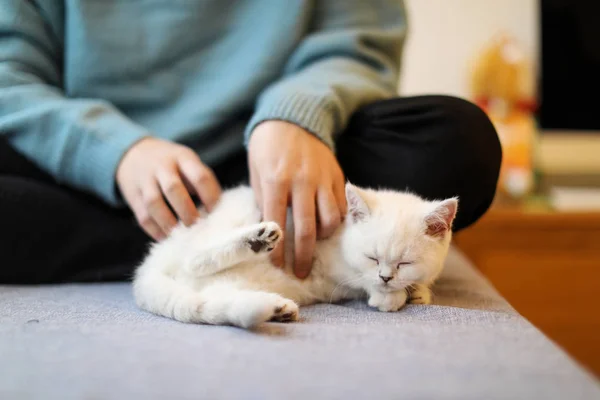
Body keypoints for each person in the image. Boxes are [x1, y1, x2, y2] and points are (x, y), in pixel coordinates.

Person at [0, 1, 501, 284]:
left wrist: (297, 114)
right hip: (101, 174)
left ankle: (204, 239)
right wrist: (114, 151)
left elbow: (359, 43)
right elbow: (10, 75)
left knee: (458, 142)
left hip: (282, 165)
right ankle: (222, 242)